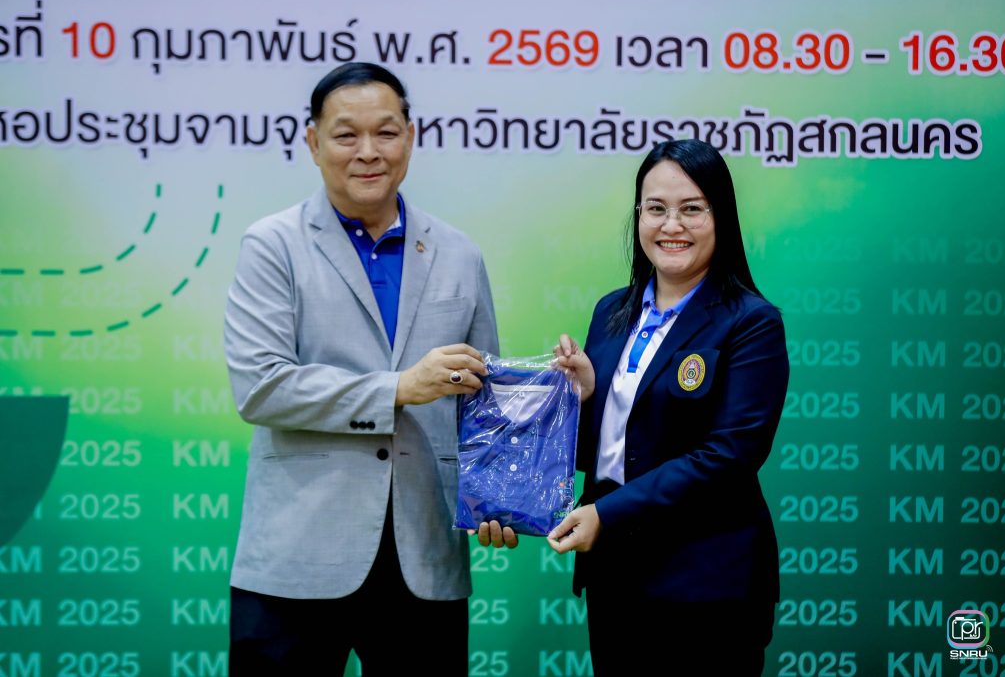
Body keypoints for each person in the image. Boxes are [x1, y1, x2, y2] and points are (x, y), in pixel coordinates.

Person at [223, 62, 514, 676]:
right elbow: (262, 386)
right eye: (345, 135)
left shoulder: (459, 253)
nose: (368, 152)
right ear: (313, 142)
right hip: (299, 557)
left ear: (411, 136)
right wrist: (399, 388)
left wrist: (501, 498)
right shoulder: (272, 245)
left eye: (385, 132)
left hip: (424, 556)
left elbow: (482, 401)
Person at [549, 139, 789, 676]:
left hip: (706, 584)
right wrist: (584, 400)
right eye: (655, 208)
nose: (671, 225)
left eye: (691, 209)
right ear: (638, 216)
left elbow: (728, 457)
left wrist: (606, 515)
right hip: (615, 576)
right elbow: (607, 453)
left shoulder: (751, 323)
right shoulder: (612, 311)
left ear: (720, 216)